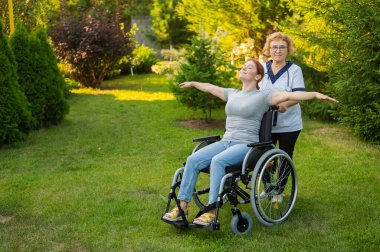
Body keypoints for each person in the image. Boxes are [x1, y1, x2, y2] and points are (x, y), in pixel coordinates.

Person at [162, 59, 337, 226]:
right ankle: (182, 207)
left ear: (258, 76)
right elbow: (209, 87)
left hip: (246, 145)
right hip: (226, 141)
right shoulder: (232, 93)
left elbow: (290, 94)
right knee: (192, 160)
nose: (244, 68)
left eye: (250, 67)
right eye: (243, 66)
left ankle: (212, 210)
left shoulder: (264, 96)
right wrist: (193, 83)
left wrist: (315, 94)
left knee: (218, 161)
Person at [259, 32, 306, 202]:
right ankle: (267, 187)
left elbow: (299, 94)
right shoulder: (262, 68)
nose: (278, 50)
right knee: (264, 156)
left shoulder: (294, 70)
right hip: (265, 122)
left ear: (288, 50)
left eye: (282, 47)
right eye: (274, 47)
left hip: (289, 124)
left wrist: (285, 104)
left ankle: (278, 191)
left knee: (285, 156)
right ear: (268, 50)